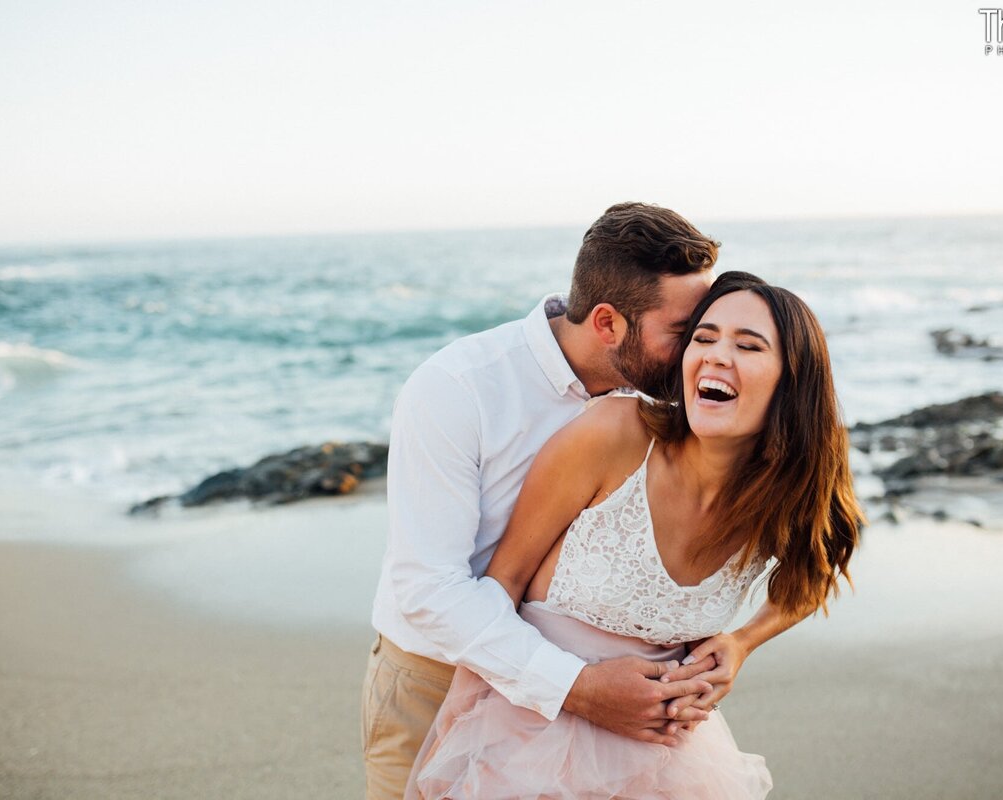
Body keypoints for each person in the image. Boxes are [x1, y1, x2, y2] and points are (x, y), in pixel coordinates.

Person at [407, 271, 864, 799]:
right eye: (704, 337)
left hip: (669, 762)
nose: (716, 355)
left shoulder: (788, 492)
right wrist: (453, 741)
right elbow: (503, 581)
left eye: (748, 345)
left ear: (793, 380)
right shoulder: (616, 434)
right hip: (529, 742)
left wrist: (741, 642)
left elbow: (818, 570)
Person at [363, 203, 723, 798]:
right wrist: (579, 687)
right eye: (683, 333)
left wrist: (723, 648)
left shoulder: (673, 403)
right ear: (608, 323)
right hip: (437, 677)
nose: (697, 353)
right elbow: (429, 590)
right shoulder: (457, 387)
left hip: (606, 700)